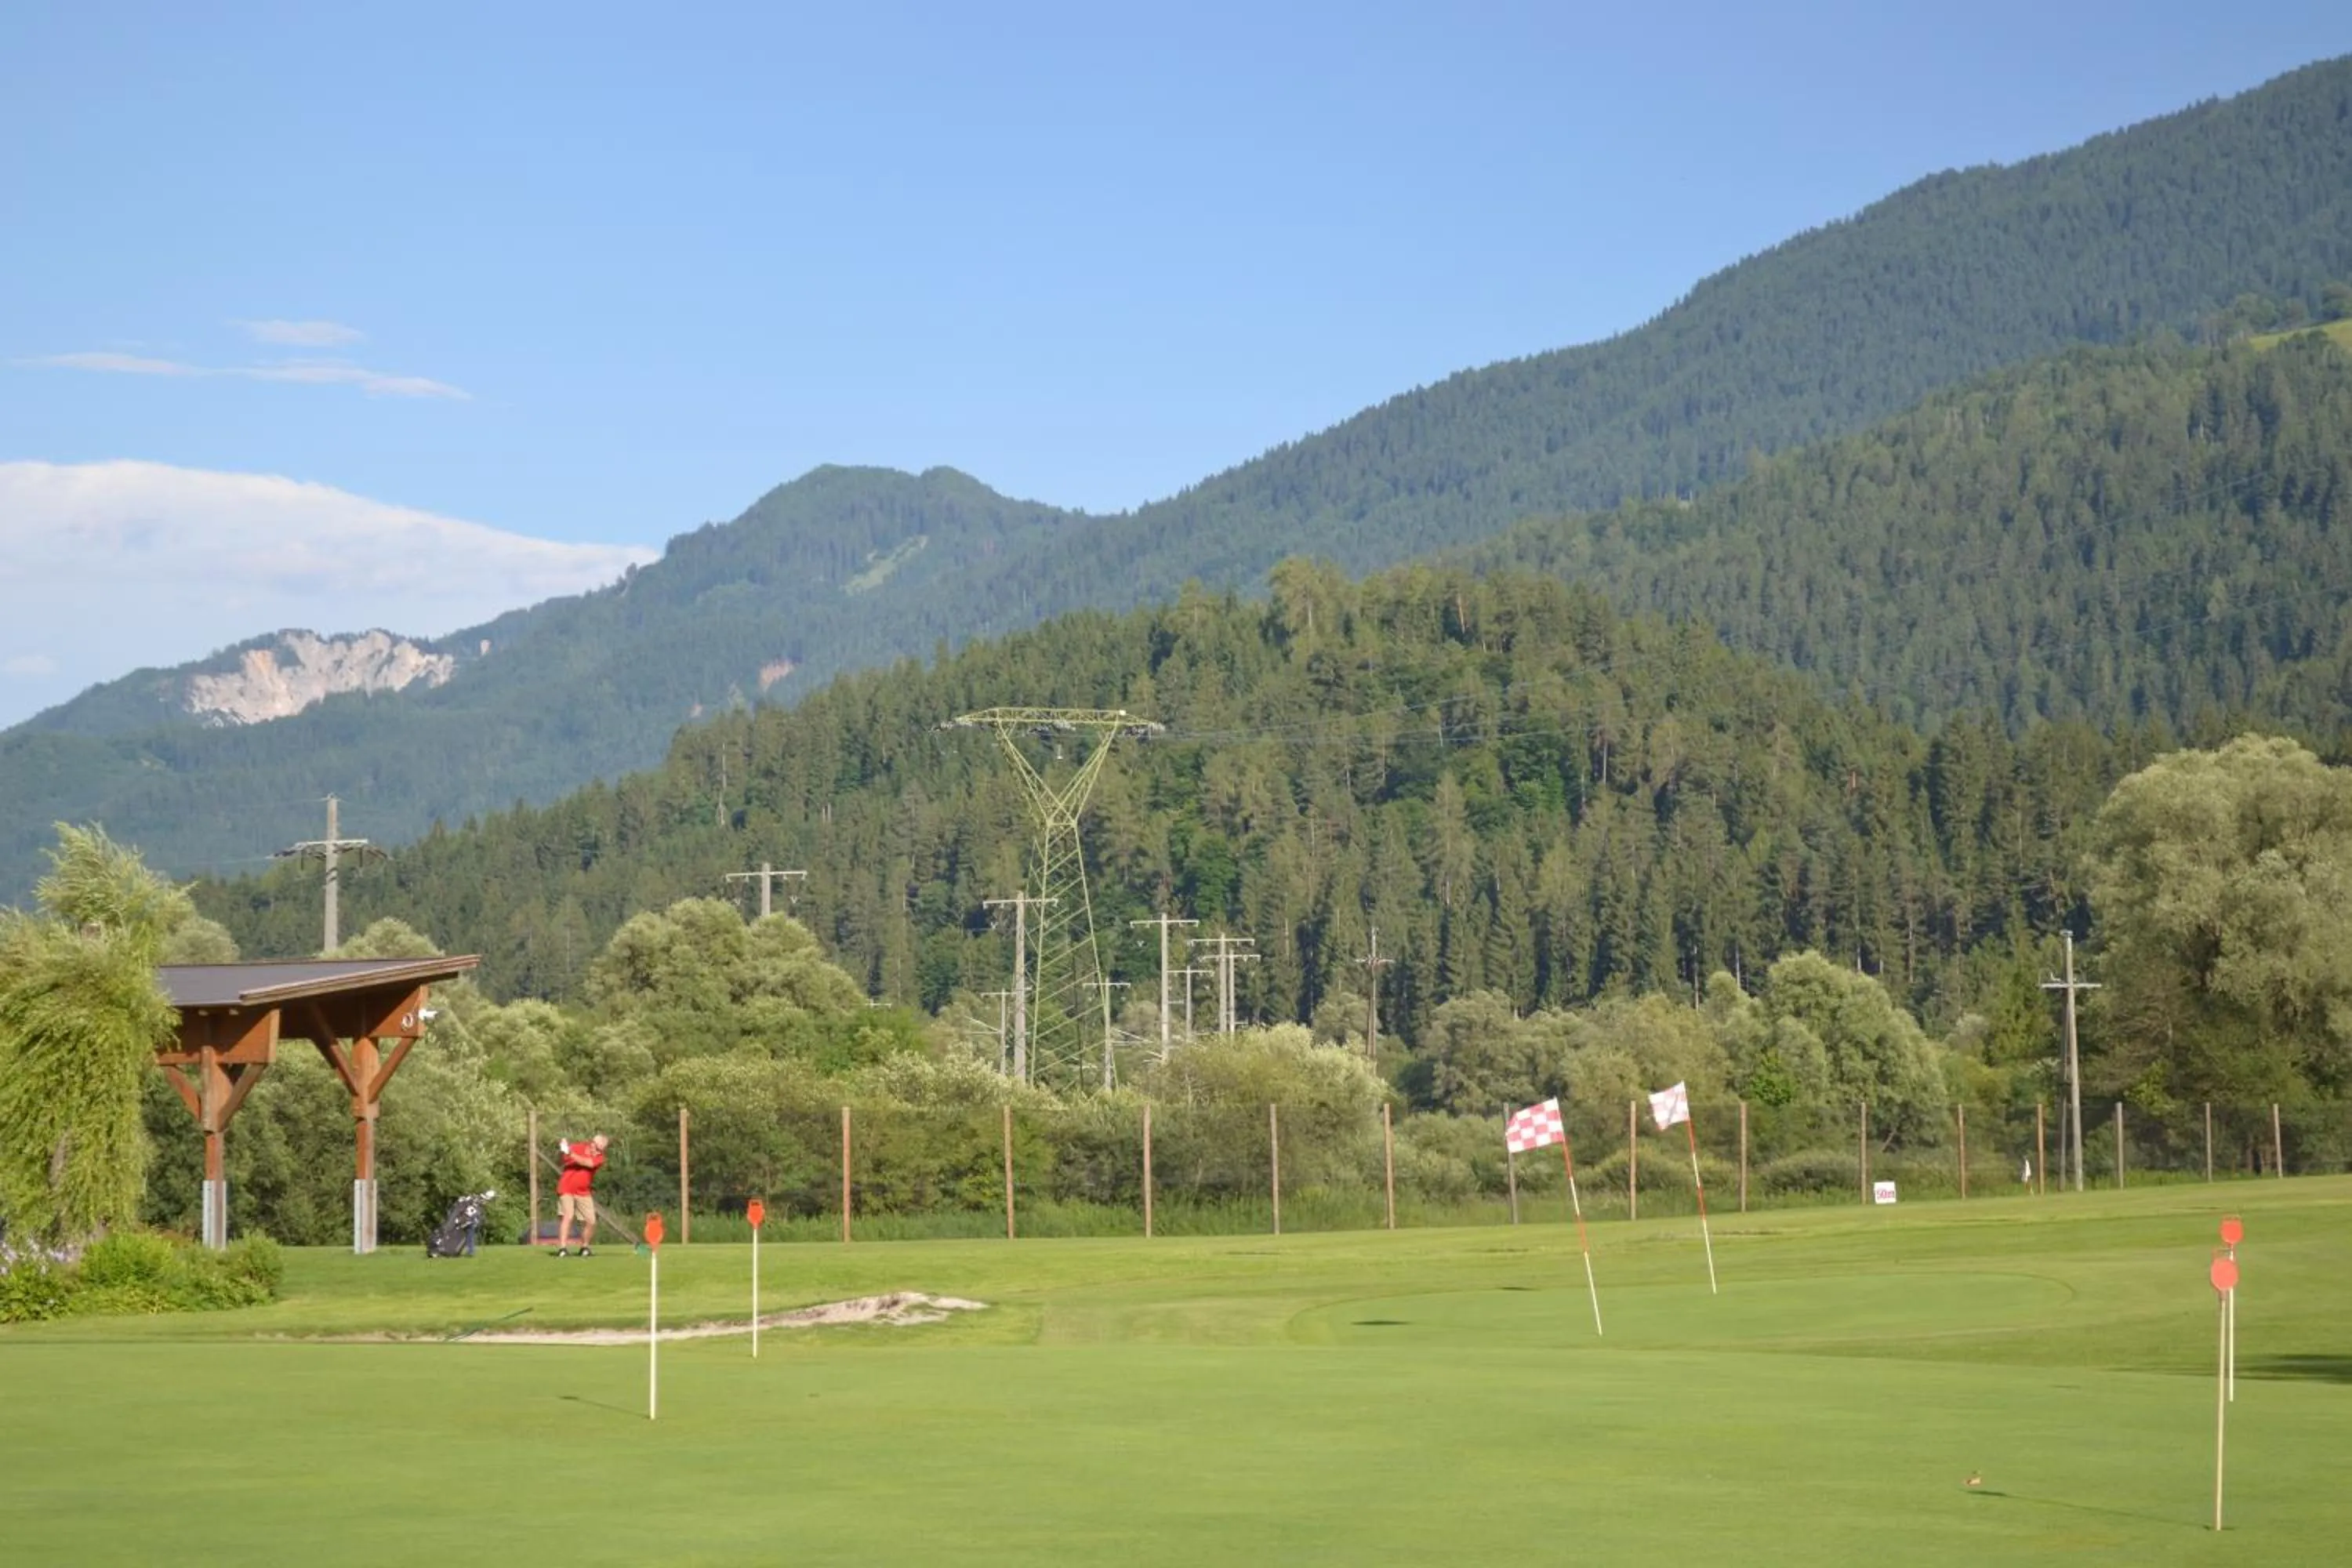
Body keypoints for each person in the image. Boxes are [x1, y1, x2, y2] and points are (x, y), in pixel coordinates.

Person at [554, 1134, 608, 1257]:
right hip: (566, 1188)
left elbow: (587, 1163)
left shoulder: (600, 1158)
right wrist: (565, 1148)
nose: (597, 1150)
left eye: (600, 1149)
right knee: (568, 1216)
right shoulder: (578, 1148)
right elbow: (564, 1158)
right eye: (596, 1146)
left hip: (583, 1192)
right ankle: (562, 1248)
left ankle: (584, 1247)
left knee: (591, 1221)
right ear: (592, 1142)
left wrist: (570, 1152)